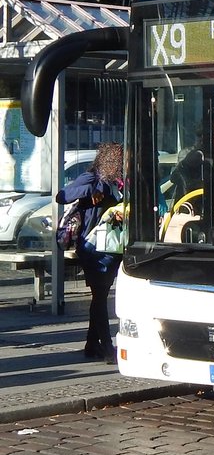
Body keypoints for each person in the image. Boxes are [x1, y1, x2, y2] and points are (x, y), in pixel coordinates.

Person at [57, 141, 123, 362]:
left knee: (100, 296)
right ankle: (106, 346)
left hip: (111, 247)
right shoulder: (92, 177)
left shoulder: (118, 182)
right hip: (92, 246)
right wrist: (91, 190)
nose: (119, 162)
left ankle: (91, 344)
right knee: (99, 297)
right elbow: (62, 195)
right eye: (115, 158)